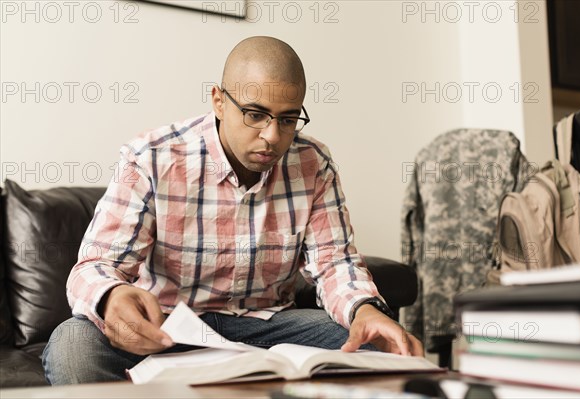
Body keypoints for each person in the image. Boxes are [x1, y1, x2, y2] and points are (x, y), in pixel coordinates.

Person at [42, 36, 423, 385]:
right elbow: (95, 265)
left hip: (270, 326)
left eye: (288, 119)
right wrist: (112, 296)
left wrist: (365, 310)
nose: (273, 136)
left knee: (380, 347)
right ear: (219, 102)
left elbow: (334, 264)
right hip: (167, 327)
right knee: (73, 344)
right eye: (255, 114)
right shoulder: (152, 158)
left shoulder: (313, 163)